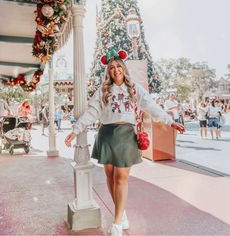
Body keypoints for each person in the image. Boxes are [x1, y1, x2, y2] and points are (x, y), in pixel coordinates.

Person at [64, 49, 185, 236]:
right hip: (107, 135)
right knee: (111, 178)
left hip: (126, 136)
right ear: (108, 72)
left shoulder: (134, 89)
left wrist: (170, 121)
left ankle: (117, 223)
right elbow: (92, 112)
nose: (115, 70)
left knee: (122, 178)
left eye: (118, 66)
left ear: (123, 68)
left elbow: (151, 106)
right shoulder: (103, 91)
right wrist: (75, 130)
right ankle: (122, 213)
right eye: (111, 68)